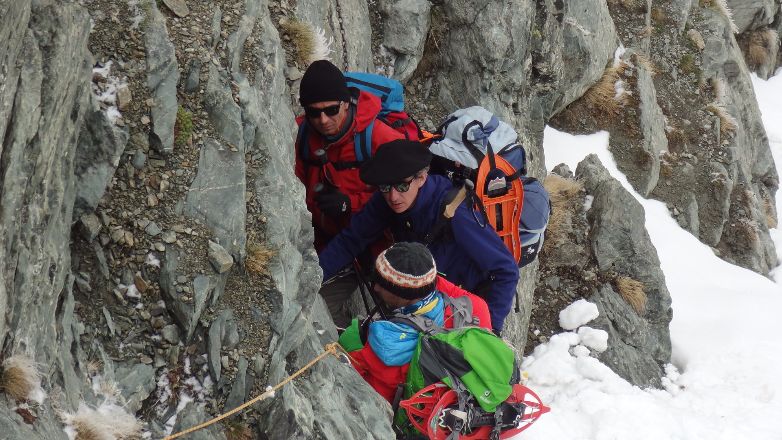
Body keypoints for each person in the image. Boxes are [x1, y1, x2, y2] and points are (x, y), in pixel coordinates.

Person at [319, 139, 519, 333]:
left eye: (402, 186)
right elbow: (351, 240)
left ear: (422, 178)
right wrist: (315, 276)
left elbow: (506, 270)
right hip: (422, 293)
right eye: (385, 187)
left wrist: (490, 331)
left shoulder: (455, 213)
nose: (393, 196)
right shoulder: (386, 200)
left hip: (462, 304)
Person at [338, 242, 492, 403]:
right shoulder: (476, 309)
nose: (375, 288)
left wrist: (354, 335)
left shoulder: (385, 346)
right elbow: (436, 284)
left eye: (382, 284)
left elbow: (351, 379)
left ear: (403, 294)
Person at [294, 60, 403, 251]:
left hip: (372, 240)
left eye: (331, 110)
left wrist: (349, 203)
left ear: (345, 103)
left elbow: (406, 191)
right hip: (321, 240)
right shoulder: (299, 134)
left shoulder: (377, 136)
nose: (323, 120)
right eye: (314, 112)